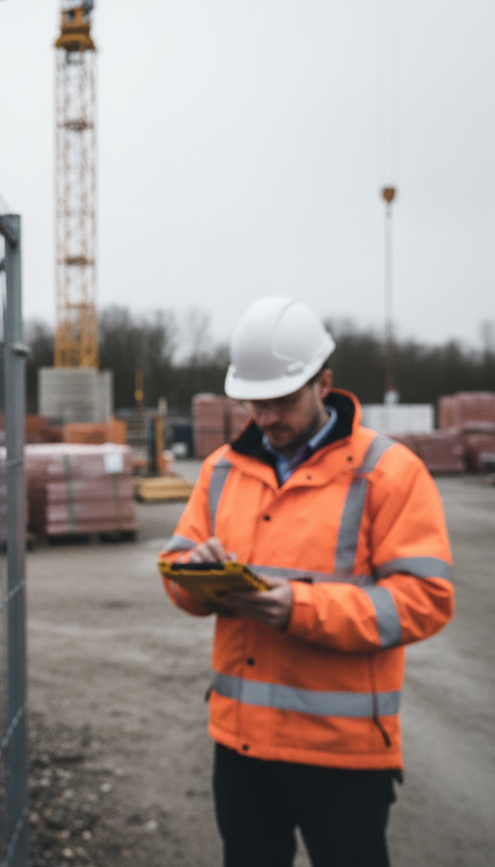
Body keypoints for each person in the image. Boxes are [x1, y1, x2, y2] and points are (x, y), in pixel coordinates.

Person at [160, 295, 454, 867]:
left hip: (343, 756)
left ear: (324, 383)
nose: (267, 418)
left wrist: (301, 608)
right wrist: (195, 575)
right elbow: (176, 565)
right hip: (242, 748)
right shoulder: (221, 470)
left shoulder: (389, 472)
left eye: (282, 401)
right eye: (255, 403)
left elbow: (425, 600)